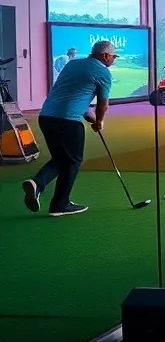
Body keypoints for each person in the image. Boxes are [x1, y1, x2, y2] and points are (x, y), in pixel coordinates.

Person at [22, 40, 115, 217]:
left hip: (47, 117)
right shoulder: (103, 72)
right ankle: (59, 204)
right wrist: (99, 122)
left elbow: (71, 94)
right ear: (105, 55)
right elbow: (103, 104)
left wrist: (88, 115)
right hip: (68, 122)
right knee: (72, 161)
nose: (114, 60)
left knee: (62, 158)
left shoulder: (72, 64)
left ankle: (37, 185)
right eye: (113, 56)